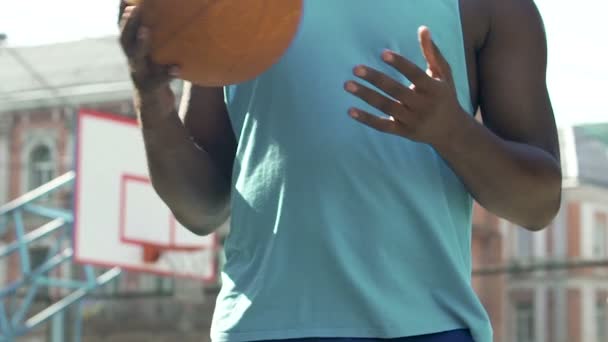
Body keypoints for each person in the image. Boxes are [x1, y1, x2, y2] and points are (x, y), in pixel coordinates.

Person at [118, 0, 562, 341]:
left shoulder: (491, 6)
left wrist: (452, 132)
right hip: (262, 326)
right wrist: (152, 100)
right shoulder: (230, 8)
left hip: (427, 326)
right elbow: (202, 209)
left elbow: (537, 204)